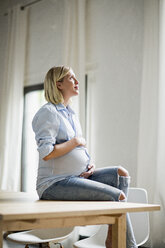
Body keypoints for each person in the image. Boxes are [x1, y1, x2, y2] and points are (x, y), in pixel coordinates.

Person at [32, 66, 137, 248]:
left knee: (121, 173)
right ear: (58, 84)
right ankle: (127, 245)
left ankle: (113, 234)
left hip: (77, 176)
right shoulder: (48, 112)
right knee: (118, 197)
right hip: (54, 183)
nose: (77, 81)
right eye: (72, 78)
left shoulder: (70, 113)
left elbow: (77, 150)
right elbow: (46, 153)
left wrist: (89, 164)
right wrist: (75, 141)